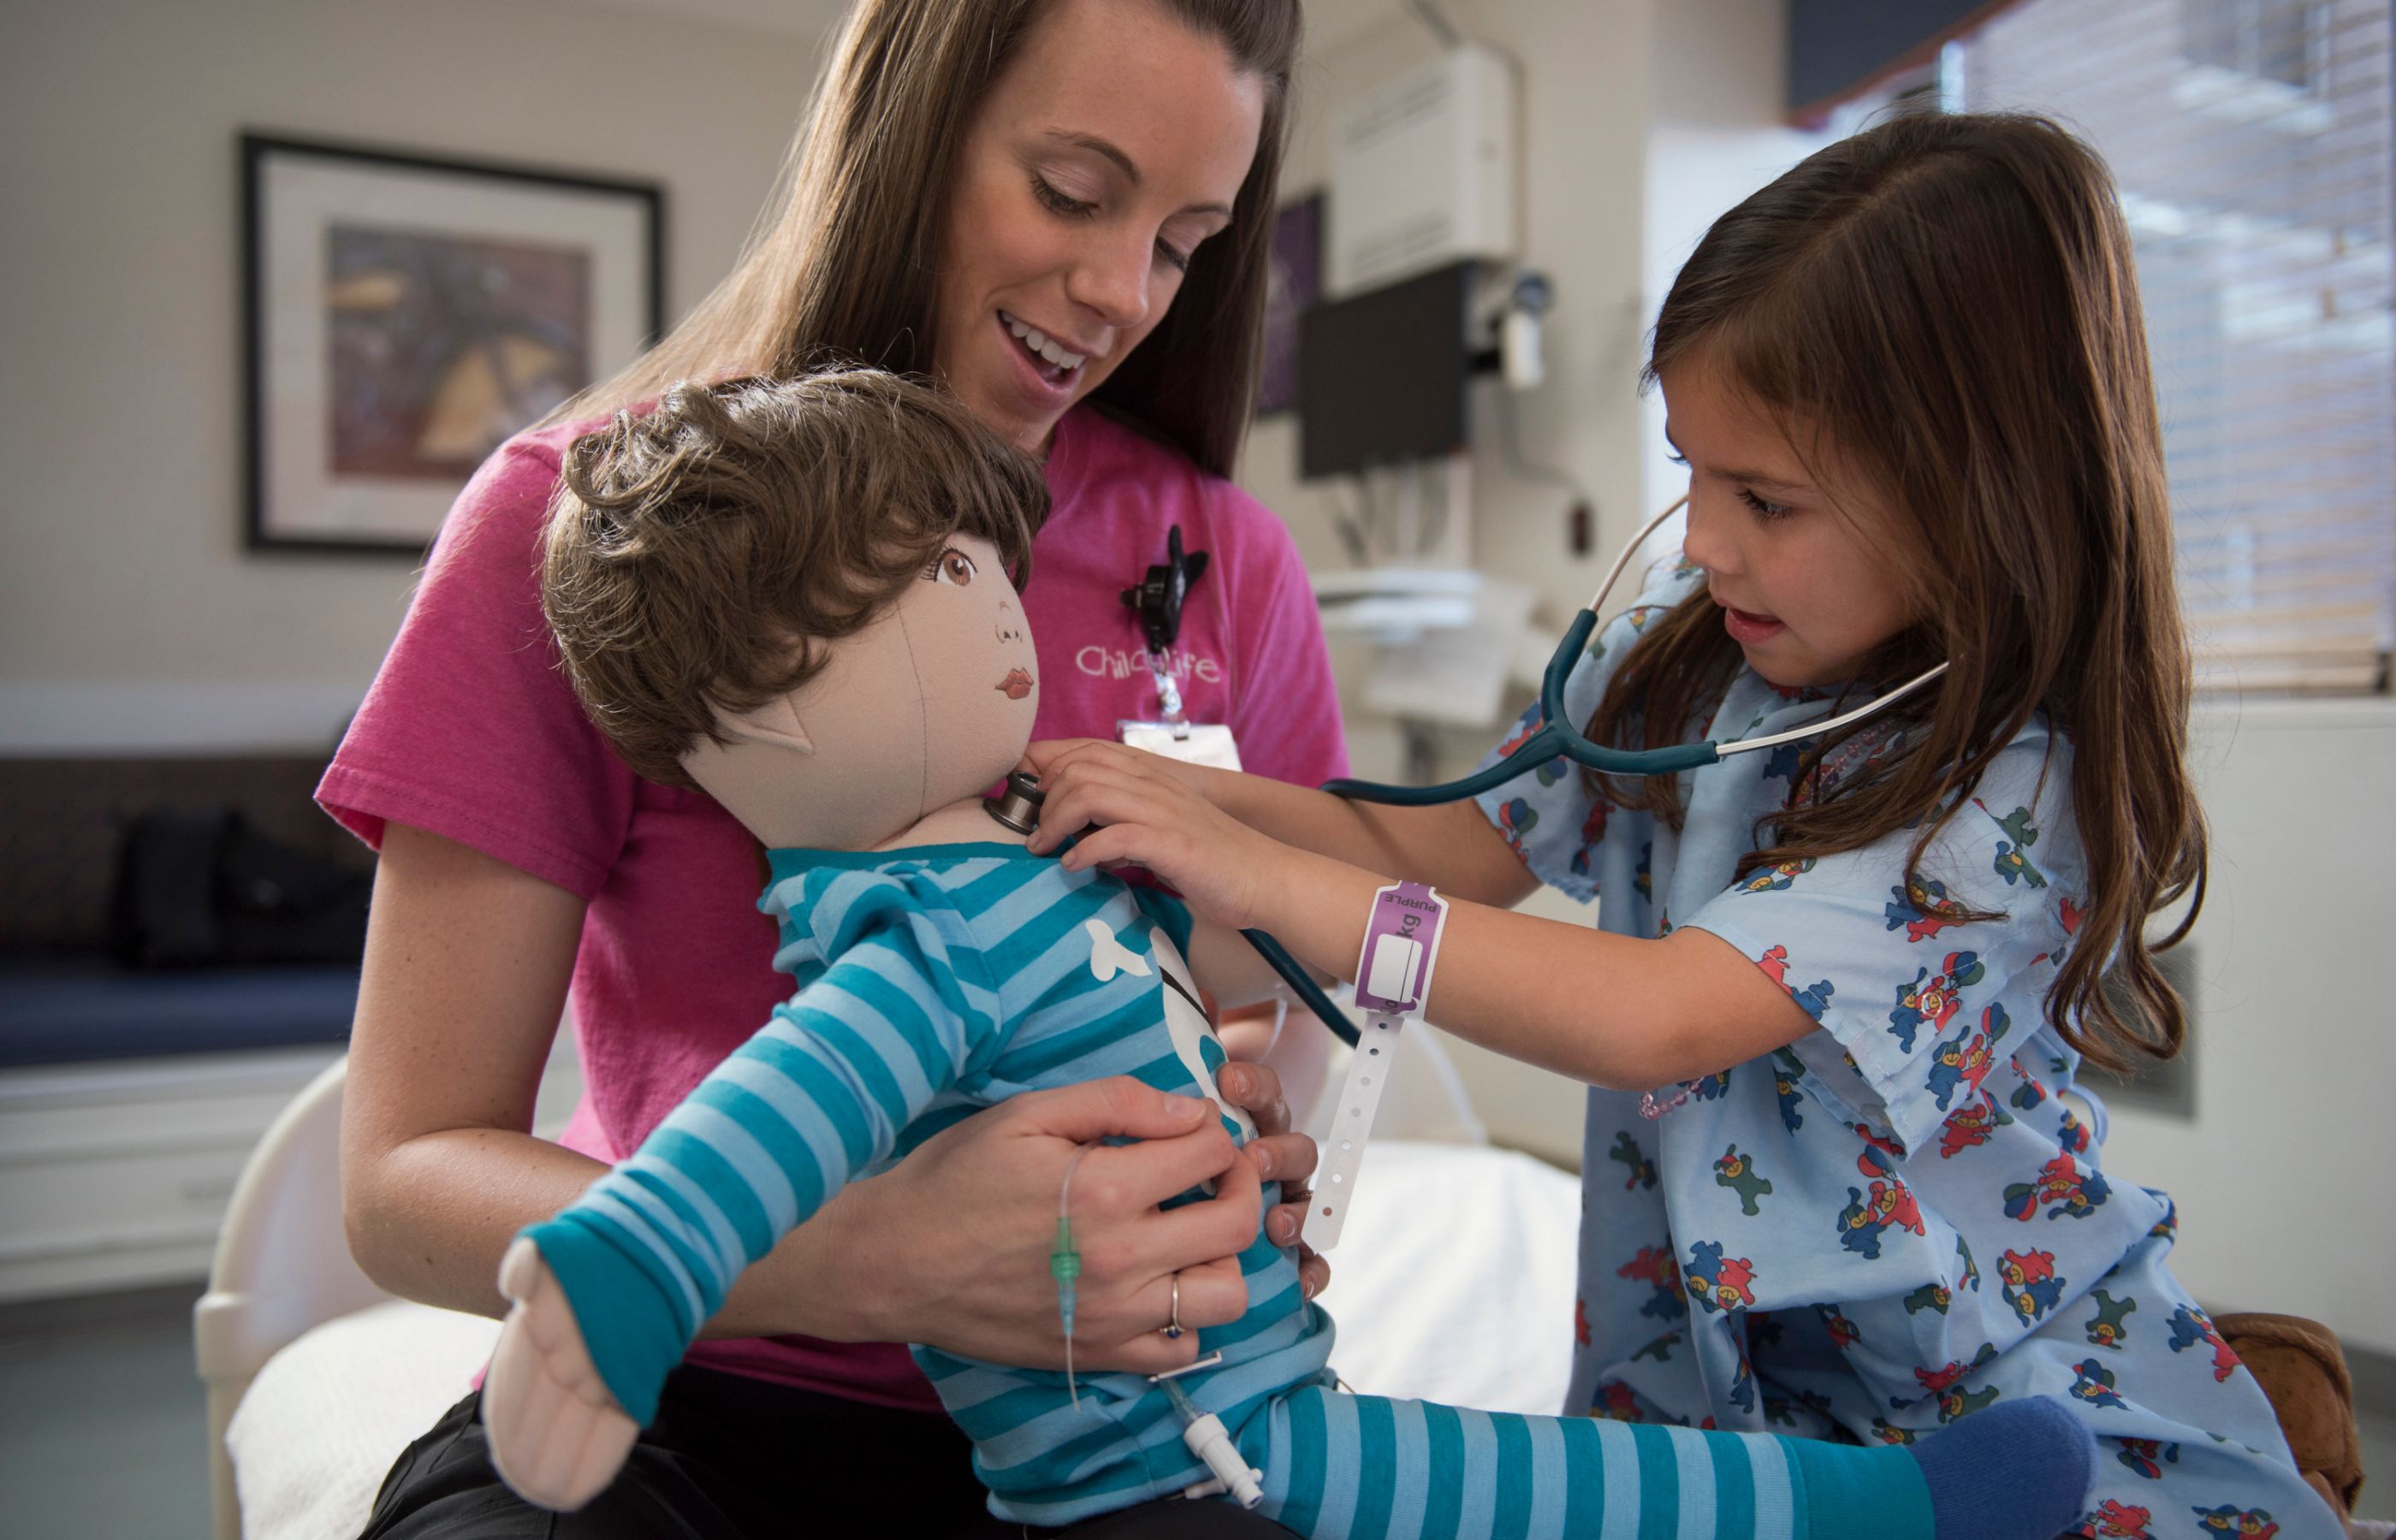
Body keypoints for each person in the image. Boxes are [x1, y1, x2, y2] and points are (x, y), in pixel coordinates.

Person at [1023, 114, 2345, 1540]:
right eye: (1692, 472)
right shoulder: (1686, 645)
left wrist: (1257, 870)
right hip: (1715, 1405)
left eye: (1766, 498)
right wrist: (1165, 796)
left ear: (1984, 502)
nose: (1707, 538)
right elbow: (1433, 853)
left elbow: (1654, 1017)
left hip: (1987, 1405)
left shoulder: (2004, 789)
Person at [491, 366, 2092, 1540]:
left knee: (1554, 1482)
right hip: (1168, 1460)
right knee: (1539, 1494)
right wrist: (632, 1267)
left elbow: (1539, 966)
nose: (993, 613)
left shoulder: (1032, 854)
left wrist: (1231, 1035)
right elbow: (768, 1120)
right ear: (761, 701)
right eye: (926, 582)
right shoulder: (920, 947)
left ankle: (1896, 1505)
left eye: (978, 564)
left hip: (1270, 1389)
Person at [324, 3, 1342, 1535]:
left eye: (1186, 241)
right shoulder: (593, 536)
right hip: (696, 1401)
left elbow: (1287, 991)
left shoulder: (1222, 563)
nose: (1122, 291)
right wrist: (876, 1254)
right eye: (1072, 193)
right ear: (908, 128)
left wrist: (1243, 1151)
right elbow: (403, 1187)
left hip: (1124, 1433)